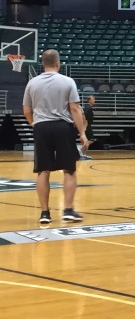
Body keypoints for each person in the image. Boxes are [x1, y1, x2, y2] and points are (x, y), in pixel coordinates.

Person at [22, 49, 86, 224]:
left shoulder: (32, 83)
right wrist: (82, 133)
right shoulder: (67, 81)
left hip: (41, 127)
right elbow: (75, 109)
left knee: (43, 170)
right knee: (69, 170)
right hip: (62, 126)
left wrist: (34, 124)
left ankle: (44, 213)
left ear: (43, 63)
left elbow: (27, 110)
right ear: (58, 63)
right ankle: (68, 210)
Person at [80, 94, 95, 160]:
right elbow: (84, 117)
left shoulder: (88, 107)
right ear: (89, 100)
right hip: (86, 125)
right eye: (93, 99)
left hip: (87, 124)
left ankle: (82, 152)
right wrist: (85, 126)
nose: (94, 100)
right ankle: (81, 151)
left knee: (88, 140)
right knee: (90, 140)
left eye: (94, 99)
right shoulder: (88, 108)